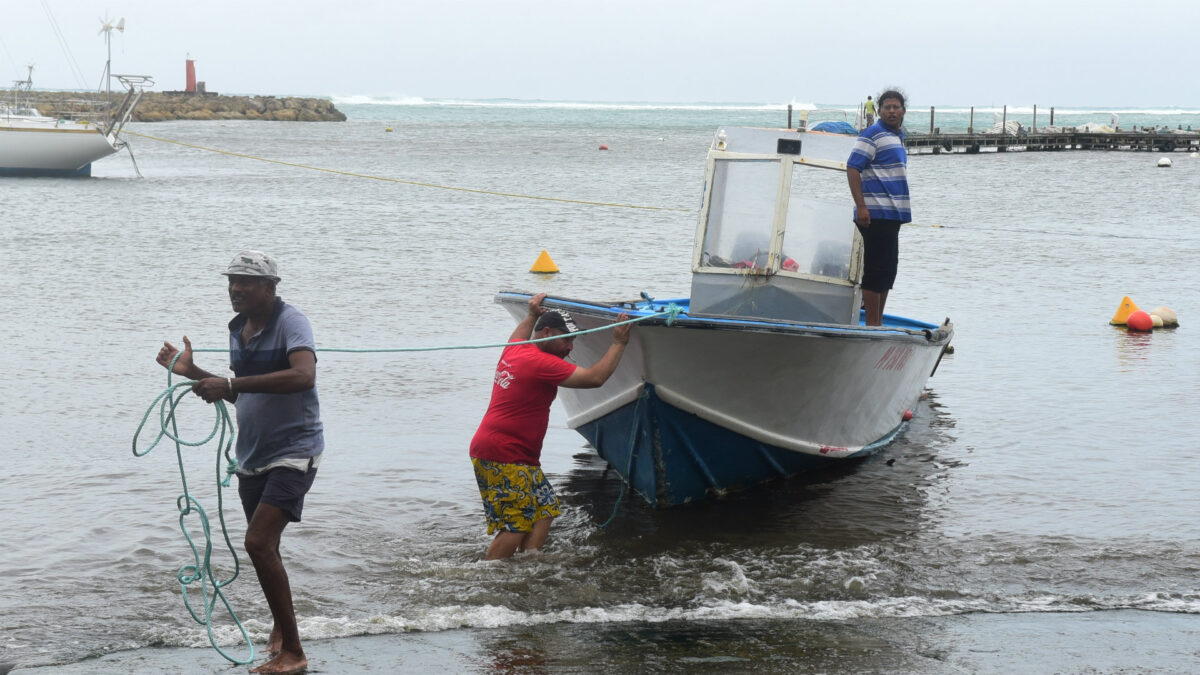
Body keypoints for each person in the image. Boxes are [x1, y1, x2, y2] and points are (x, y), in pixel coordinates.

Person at [156, 250, 323, 674]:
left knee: (257, 543)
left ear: (270, 287)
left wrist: (229, 381)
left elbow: (303, 377)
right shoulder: (239, 328)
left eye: (245, 281)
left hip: (294, 451)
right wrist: (194, 373)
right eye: (231, 280)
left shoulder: (291, 321)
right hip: (251, 456)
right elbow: (243, 393)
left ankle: (294, 652)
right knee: (267, 546)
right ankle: (281, 632)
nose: (235, 288)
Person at [469, 292, 631, 560]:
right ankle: (489, 578)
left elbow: (519, 334)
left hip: (515, 454)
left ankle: (528, 563)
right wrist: (619, 342)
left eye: (573, 340)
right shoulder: (540, 362)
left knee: (545, 510)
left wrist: (531, 314)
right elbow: (595, 378)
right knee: (516, 524)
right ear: (545, 333)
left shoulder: (517, 348)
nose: (570, 347)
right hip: (502, 453)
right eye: (566, 339)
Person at [846, 89, 910, 326]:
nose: (892, 111)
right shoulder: (872, 135)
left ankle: (878, 322)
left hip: (893, 214)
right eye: (887, 107)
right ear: (879, 110)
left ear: (903, 110)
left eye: (896, 107)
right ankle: (872, 324)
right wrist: (861, 207)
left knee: (888, 270)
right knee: (875, 270)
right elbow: (853, 168)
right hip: (875, 213)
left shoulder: (897, 136)